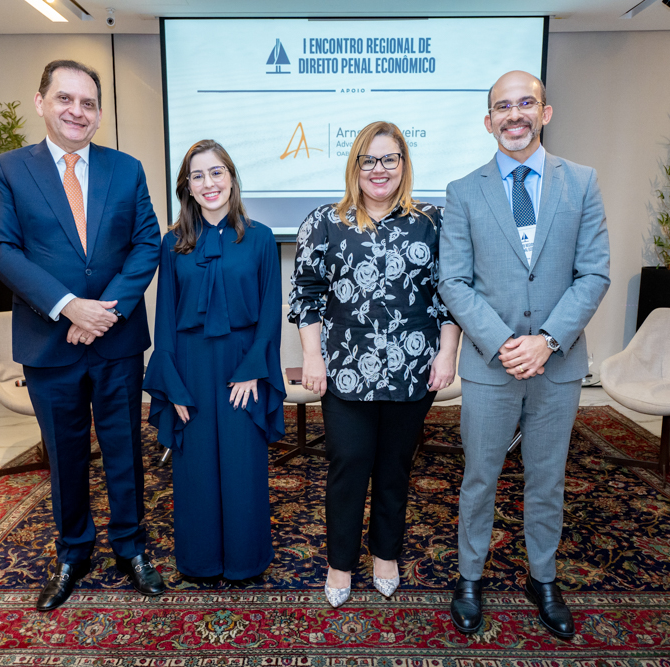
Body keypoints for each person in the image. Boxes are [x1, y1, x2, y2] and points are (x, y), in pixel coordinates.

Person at [0, 60, 163, 611]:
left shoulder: (125, 168)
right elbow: (1, 250)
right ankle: (72, 550)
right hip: (48, 341)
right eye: (65, 99)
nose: (76, 112)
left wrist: (102, 312)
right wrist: (69, 309)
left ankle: (130, 546)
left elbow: (146, 243)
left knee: (123, 449)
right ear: (41, 102)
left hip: (115, 338)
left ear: (100, 113)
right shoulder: (10, 170)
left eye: (88, 103)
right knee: (64, 453)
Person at [438, 71, 610, 639]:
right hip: (491, 366)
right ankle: (470, 577)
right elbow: (454, 282)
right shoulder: (463, 191)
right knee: (479, 477)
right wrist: (506, 343)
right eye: (502, 108)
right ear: (489, 122)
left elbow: (593, 273)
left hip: (557, 365)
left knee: (547, 477)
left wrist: (547, 341)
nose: (515, 115)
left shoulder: (581, 183)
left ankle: (543, 577)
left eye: (525, 104)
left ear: (546, 112)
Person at [290, 121, 461, 608]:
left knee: (394, 468)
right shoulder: (324, 221)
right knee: (348, 466)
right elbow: (306, 297)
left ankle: (386, 554)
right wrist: (311, 358)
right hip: (345, 370)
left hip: (414, 370)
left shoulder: (433, 221)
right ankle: (339, 562)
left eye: (389, 159)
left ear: (403, 165)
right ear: (355, 166)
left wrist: (447, 353)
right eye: (368, 160)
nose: (378, 169)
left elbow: (448, 293)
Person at [145, 140, 284, 582]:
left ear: (232, 178)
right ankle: (201, 561)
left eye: (217, 172)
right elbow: (165, 316)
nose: (209, 183)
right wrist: (172, 384)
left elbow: (269, 312)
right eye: (198, 175)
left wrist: (254, 371)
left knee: (243, 467)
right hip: (191, 369)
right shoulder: (173, 243)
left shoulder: (260, 237)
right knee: (197, 469)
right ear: (187, 185)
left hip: (243, 367)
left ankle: (245, 560)